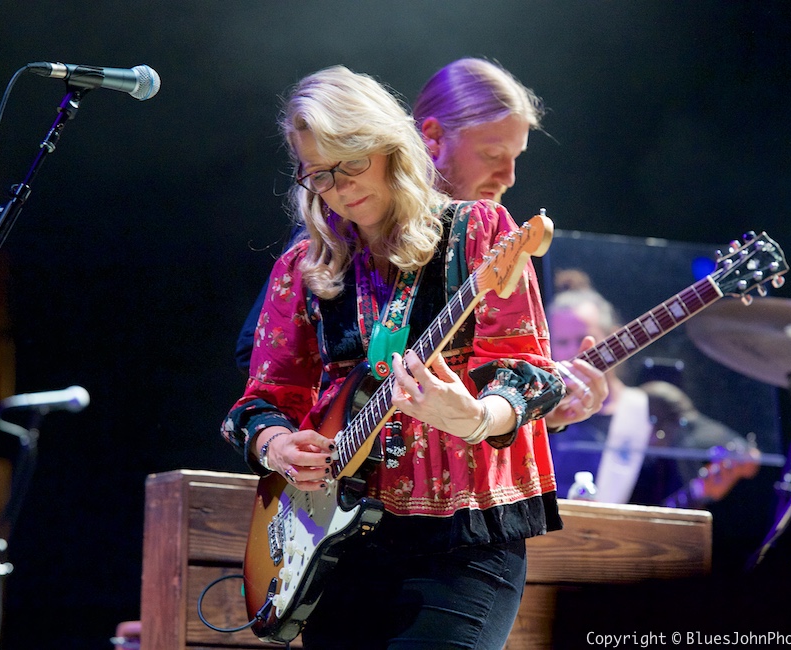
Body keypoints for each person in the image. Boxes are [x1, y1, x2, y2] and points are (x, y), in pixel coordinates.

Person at [221, 65, 566, 649]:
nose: (341, 187)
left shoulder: (480, 231)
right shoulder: (302, 268)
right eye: (320, 175)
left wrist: (479, 416)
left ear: (389, 146)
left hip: (462, 543)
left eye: (352, 163)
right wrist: (277, 445)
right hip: (339, 545)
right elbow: (260, 401)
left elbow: (531, 373)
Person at [234, 57, 607, 429]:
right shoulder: (332, 233)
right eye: (492, 155)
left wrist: (530, 407)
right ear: (431, 137)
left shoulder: (484, 231)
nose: (509, 176)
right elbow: (263, 357)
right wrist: (303, 441)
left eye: (515, 157)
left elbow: (511, 376)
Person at [547, 270, 757, 507]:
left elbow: (744, 456)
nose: (575, 352)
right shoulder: (540, 414)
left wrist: (725, 469)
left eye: (584, 338)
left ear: (613, 336)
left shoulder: (652, 408)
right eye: (562, 342)